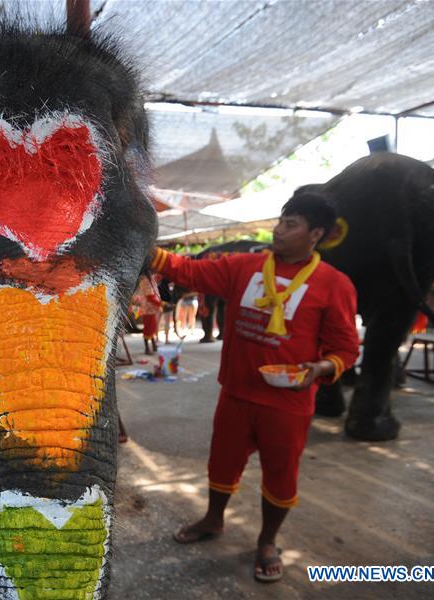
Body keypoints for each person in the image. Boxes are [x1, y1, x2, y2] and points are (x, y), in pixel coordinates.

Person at [150, 191, 359, 583]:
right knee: (221, 463)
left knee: (280, 476)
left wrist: (320, 368)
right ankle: (213, 520)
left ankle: (267, 540)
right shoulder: (245, 266)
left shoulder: (334, 284)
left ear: (315, 233)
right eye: (281, 221)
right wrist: (151, 251)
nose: (279, 230)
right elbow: (190, 272)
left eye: (291, 224)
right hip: (237, 392)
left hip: (288, 402)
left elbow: (346, 348)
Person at [133, 273, 161, 355]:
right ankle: (147, 348)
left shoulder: (148, 278)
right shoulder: (146, 280)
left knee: (151, 327)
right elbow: (150, 296)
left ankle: (153, 345)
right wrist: (161, 304)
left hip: (150, 308)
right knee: (148, 328)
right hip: (148, 308)